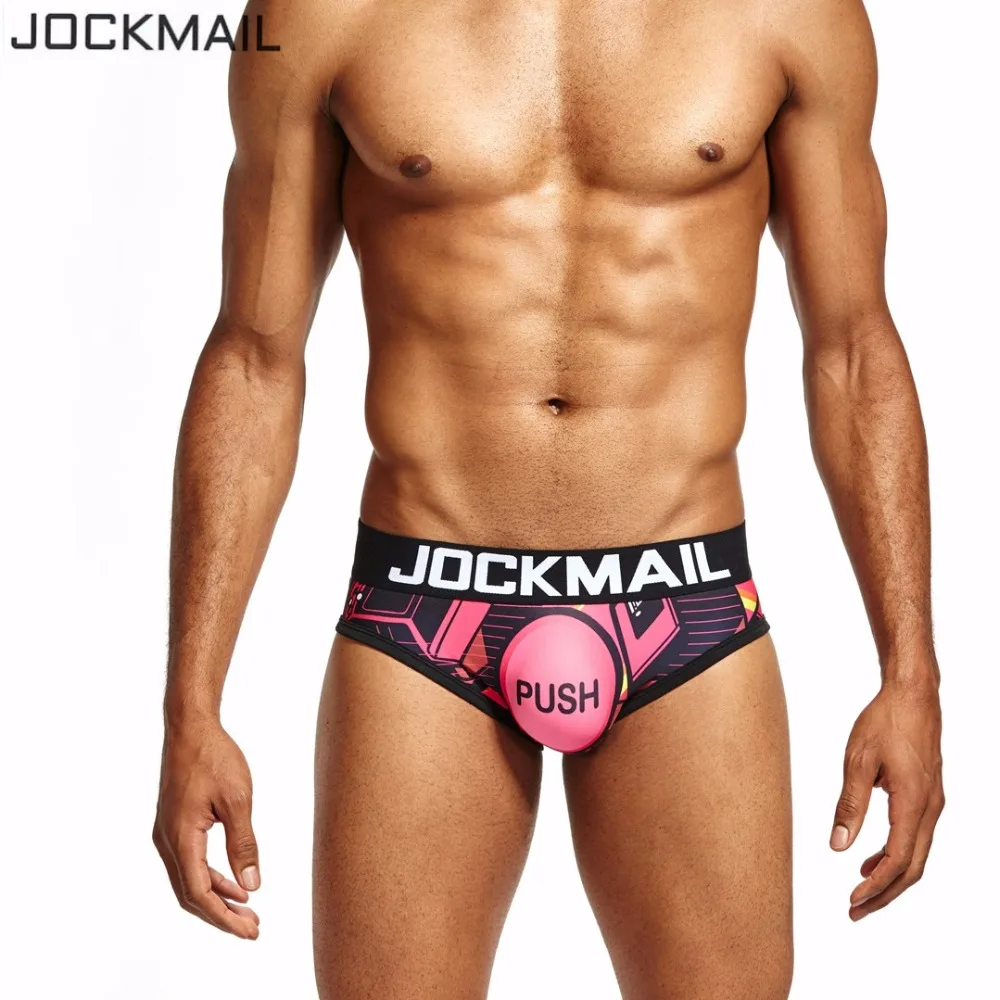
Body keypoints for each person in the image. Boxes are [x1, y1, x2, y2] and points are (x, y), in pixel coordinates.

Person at [152, 0, 944, 996]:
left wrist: (910, 674)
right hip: (426, 610)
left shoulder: (783, 12)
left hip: (683, 605)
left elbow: (853, 349)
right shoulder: (325, 13)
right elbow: (255, 361)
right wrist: (191, 704)